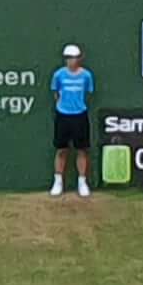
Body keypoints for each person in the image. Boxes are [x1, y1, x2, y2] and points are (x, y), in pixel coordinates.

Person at [47, 41, 97, 199]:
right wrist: (63, 105)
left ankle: (82, 183)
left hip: (80, 115)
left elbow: (88, 93)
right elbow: (55, 93)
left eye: (74, 57)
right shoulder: (58, 75)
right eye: (69, 57)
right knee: (61, 150)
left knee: (82, 150)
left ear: (79, 58)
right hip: (62, 115)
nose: (72, 60)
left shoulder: (86, 75)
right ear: (65, 59)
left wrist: (76, 105)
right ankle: (58, 182)